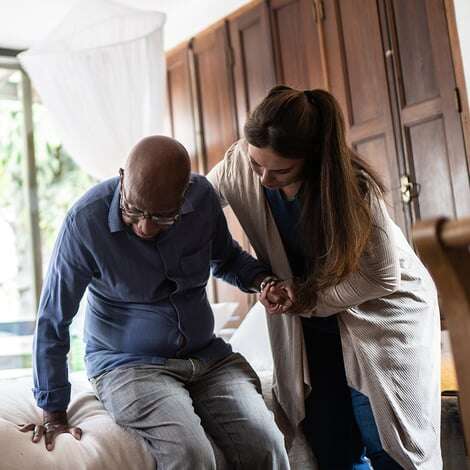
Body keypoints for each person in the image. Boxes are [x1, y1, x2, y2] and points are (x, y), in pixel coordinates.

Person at [19, 135, 290, 470]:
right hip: (128, 364)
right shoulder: (84, 223)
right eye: (133, 211)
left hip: (208, 358)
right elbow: (53, 318)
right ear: (122, 178)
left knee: (267, 443)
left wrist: (262, 280)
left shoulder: (203, 199)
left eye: (163, 217)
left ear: (185, 193)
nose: (145, 227)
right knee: (192, 454)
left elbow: (227, 259)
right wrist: (53, 411)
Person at [207, 86, 442, 470]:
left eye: (280, 170)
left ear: (312, 158)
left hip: (382, 312)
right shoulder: (240, 164)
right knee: (328, 440)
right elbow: (197, 198)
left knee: (387, 438)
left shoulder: (353, 189)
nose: (264, 178)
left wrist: (305, 299)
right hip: (311, 315)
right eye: (256, 165)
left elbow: (382, 277)